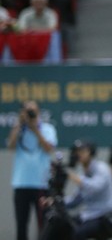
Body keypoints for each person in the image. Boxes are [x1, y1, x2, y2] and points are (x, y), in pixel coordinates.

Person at [7, 101, 57, 240]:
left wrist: (36, 130)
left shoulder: (47, 129)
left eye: (32, 111)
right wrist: (19, 124)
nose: (30, 114)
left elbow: (48, 148)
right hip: (21, 183)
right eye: (27, 111)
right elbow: (10, 146)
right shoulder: (19, 129)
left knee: (44, 225)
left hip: (41, 184)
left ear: (38, 112)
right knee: (21, 225)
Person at [64, 139, 112, 240]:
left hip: (103, 215)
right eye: (77, 152)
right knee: (63, 227)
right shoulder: (83, 173)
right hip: (87, 214)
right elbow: (76, 199)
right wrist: (57, 202)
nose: (79, 154)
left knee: (78, 233)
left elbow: (95, 187)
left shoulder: (102, 169)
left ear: (91, 152)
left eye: (83, 151)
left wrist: (76, 178)